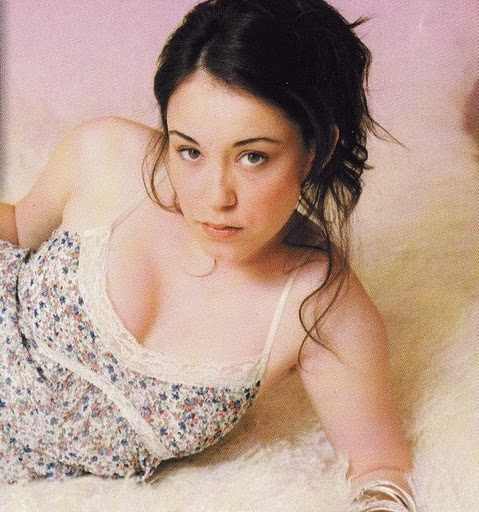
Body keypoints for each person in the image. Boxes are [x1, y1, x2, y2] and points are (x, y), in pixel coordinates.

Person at [0, 0, 418, 509]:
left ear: (318, 150)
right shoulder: (106, 155)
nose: (215, 196)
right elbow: (18, 226)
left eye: (253, 157)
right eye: (190, 151)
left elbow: (378, 467)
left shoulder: (318, 304)